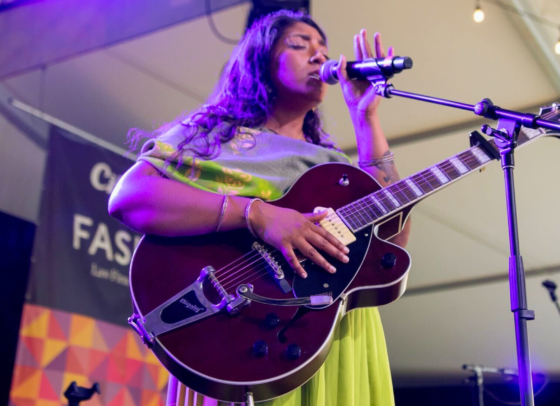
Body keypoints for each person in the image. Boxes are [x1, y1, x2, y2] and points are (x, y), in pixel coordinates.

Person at [109, 9, 410, 406]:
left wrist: (365, 118)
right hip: (236, 333)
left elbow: (392, 239)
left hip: (328, 332)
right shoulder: (211, 137)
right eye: (300, 45)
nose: (320, 56)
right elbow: (130, 197)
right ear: (260, 59)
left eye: (323, 49)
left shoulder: (332, 165)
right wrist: (257, 213)